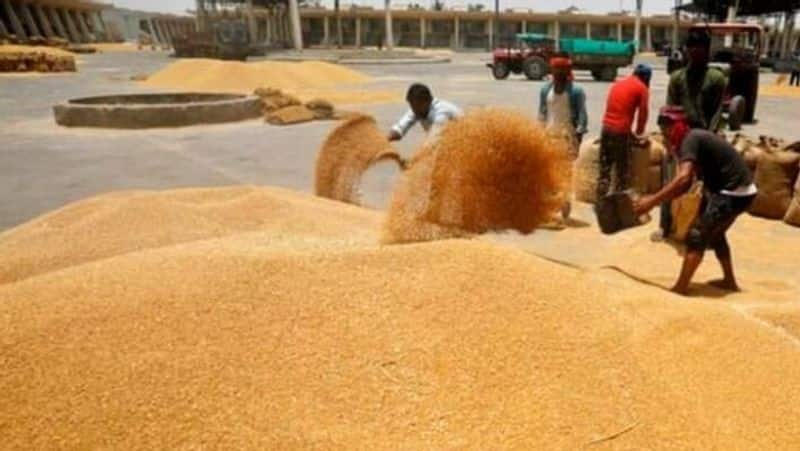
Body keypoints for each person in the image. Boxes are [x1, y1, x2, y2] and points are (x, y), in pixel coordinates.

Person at [633, 106, 757, 296]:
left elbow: (683, 179)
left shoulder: (690, 139)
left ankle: (680, 288)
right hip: (737, 191)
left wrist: (650, 202)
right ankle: (729, 281)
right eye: (663, 129)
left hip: (733, 193)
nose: (666, 133)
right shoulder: (693, 138)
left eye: (669, 128)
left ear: (679, 125)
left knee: (697, 235)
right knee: (716, 234)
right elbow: (686, 183)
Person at [656, 28, 728, 241]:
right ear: (686, 51)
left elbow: (717, 112)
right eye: (692, 50)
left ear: (707, 52)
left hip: (706, 138)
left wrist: (710, 141)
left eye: (700, 51)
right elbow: (670, 110)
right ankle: (665, 226)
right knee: (671, 182)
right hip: (680, 138)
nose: (695, 55)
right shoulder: (677, 78)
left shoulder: (716, 78)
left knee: (706, 188)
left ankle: (698, 228)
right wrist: (670, 139)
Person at [538, 56, 588, 219]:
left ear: (567, 72)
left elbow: (582, 113)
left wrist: (580, 130)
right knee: (548, 172)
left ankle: (565, 207)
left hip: (567, 137)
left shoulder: (576, 91)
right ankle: (550, 208)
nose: (558, 74)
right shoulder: (546, 90)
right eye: (556, 71)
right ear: (552, 71)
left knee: (565, 173)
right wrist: (538, 130)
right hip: (549, 136)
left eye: (562, 71)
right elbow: (542, 112)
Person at [596, 64, 652, 199]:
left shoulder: (618, 84)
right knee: (622, 170)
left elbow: (617, 111)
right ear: (646, 77)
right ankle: (618, 203)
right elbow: (643, 115)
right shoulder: (642, 87)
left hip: (606, 128)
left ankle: (600, 199)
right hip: (620, 132)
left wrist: (631, 135)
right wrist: (639, 134)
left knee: (605, 167)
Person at [388, 83, 462, 142]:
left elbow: (435, 140)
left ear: (427, 101)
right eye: (412, 106)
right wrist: (384, 142)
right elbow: (400, 128)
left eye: (417, 106)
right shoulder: (417, 110)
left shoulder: (441, 112)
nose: (414, 110)